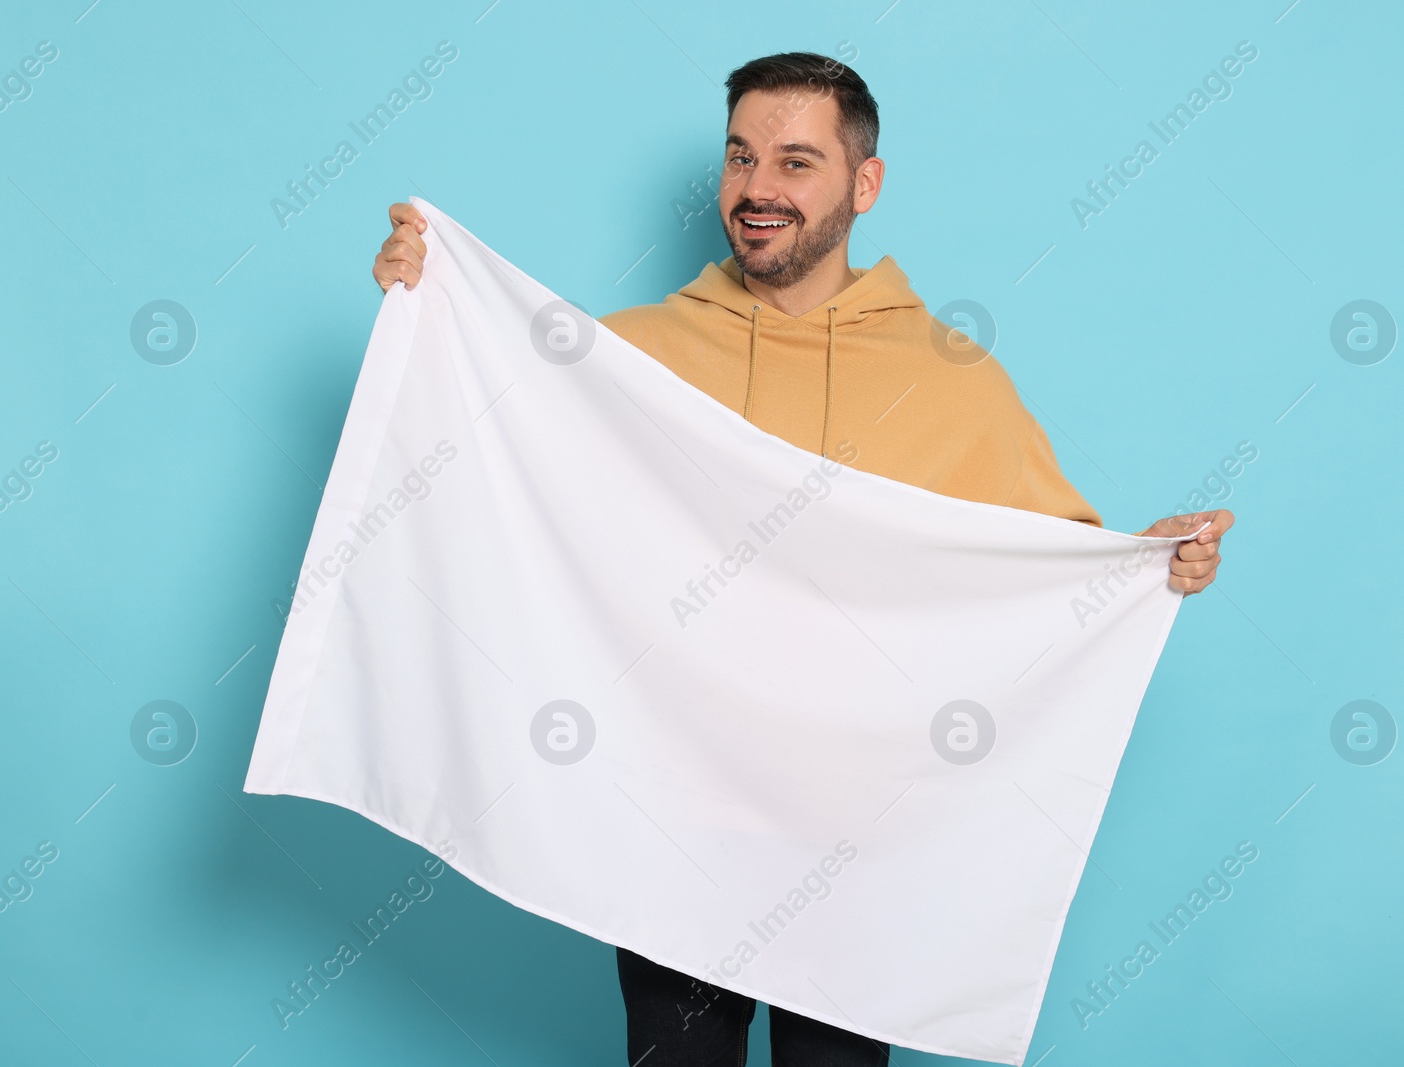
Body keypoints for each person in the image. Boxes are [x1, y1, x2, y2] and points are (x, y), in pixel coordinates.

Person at [371, 51, 1233, 1067]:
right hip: (668, 819)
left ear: (863, 184)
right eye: (740, 158)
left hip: (861, 840)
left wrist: (1147, 561)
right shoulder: (627, 357)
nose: (759, 188)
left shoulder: (947, 377)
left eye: (795, 161)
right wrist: (424, 316)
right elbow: (487, 470)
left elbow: (1051, 571)